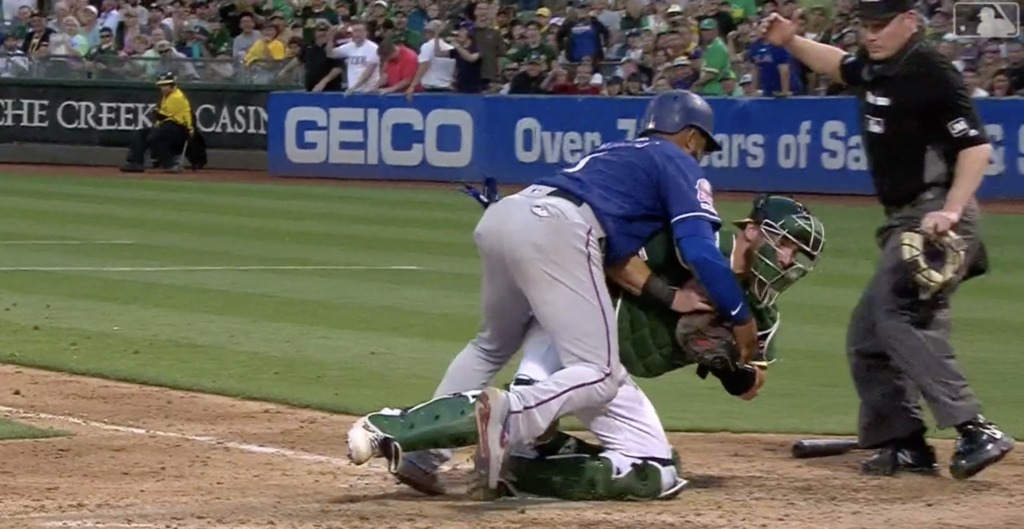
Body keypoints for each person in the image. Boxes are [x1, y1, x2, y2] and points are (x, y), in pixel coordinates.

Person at [359, 90, 759, 499]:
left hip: (507, 214)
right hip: (560, 228)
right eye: (702, 145)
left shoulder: (616, 153)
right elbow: (699, 251)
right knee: (600, 373)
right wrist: (740, 316)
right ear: (691, 136)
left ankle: (422, 457)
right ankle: (509, 418)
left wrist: (671, 298)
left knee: (490, 344)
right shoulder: (678, 161)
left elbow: (618, 259)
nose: (700, 154)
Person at [346, 193, 825, 501]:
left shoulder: (763, 311)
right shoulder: (696, 241)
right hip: (572, 329)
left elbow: (752, 384)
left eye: (798, 255)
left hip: (611, 373)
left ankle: (523, 468)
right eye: (785, 244)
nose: (790, 260)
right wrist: (669, 295)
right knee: (518, 411)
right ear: (751, 230)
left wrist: (729, 369)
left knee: (657, 471)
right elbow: (612, 258)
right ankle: (392, 428)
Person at [760, 0, 1013, 480]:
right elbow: (839, 65)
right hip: (906, 217)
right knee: (867, 336)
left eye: (881, 25)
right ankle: (905, 442)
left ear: (909, 22)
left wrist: (951, 210)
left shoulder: (929, 69)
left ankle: (975, 429)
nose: (871, 34)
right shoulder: (878, 64)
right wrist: (791, 41)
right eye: (865, 25)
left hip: (936, 215)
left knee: (898, 314)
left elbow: (976, 147)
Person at [120, 72, 192, 173]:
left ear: (172, 85)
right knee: (140, 133)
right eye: (161, 85)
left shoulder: (176, 97)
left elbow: (163, 116)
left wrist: (155, 112)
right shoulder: (167, 96)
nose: (163, 88)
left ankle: (170, 164)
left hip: (180, 128)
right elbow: (161, 118)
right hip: (168, 125)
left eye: (165, 85)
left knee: (155, 136)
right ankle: (135, 162)